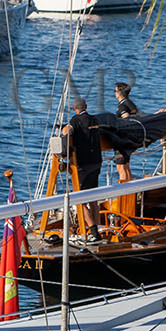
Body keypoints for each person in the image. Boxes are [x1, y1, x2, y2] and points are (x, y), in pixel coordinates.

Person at [62, 98, 103, 235]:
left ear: (74, 108)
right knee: (93, 197)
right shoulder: (94, 120)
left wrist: (64, 133)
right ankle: (98, 225)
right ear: (86, 106)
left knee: (79, 199)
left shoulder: (75, 121)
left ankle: (93, 230)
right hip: (96, 161)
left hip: (84, 164)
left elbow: (68, 130)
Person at [113, 82, 141, 181]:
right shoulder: (130, 103)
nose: (114, 93)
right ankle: (129, 191)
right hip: (131, 139)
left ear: (120, 93)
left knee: (121, 167)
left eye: (115, 91)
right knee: (126, 165)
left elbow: (127, 119)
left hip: (122, 140)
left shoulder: (122, 107)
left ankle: (124, 191)